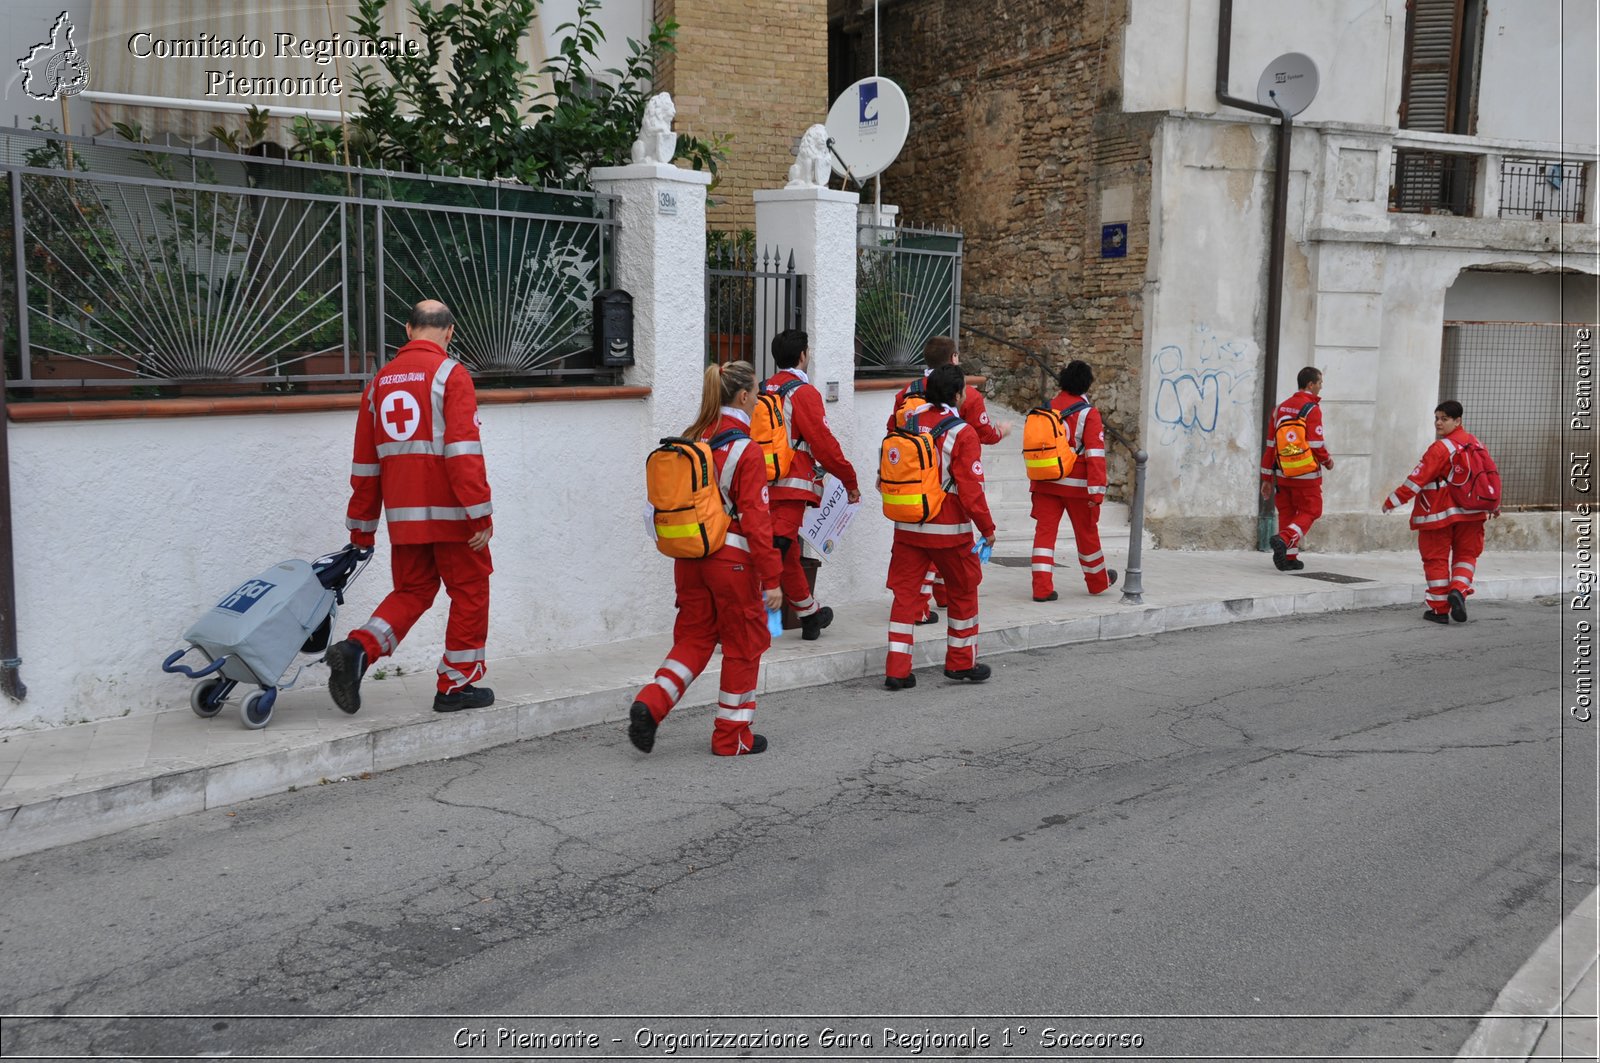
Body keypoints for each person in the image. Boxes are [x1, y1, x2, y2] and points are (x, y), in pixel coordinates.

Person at [325, 300, 495, 714]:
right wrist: (480, 513)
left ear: (407, 329)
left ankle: (358, 648)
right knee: (471, 592)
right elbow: (462, 451)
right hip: (454, 517)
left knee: (413, 590)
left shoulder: (379, 382)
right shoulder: (451, 375)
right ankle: (456, 686)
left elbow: (365, 462)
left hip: (404, 519)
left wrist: (362, 528)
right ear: (450, 332)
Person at [629, 361, 784, 756]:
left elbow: (655, 512)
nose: (759, 400)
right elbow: (757, 522)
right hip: (732, 562)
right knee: (744, 645)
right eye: (757, 393)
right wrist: (773, 579)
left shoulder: (689, 439)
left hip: (688, 558)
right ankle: (732, 737)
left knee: (695, 638)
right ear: (745, 396)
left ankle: (651, 701)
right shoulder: (746, 450)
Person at [885, 335, 1013, 625]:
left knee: (909, 584)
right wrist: (1002, 432)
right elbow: (980, 447)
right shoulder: (966, 408)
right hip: (946, 511)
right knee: (959, 581)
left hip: (908, 503)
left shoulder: (907, 395)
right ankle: (960, 661)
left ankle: (900, 660)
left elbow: (891, 434)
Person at [884, 364, 997, 689]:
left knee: (905, 597)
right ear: (959, 395)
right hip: (948, 530)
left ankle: (897, 670)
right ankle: (961, 663)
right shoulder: (963, 433)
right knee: (963, 591)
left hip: (907, 526)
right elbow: (971, 491)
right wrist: (987, 529)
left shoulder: (908, 421)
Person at [763, 329, 860, 640]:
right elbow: (823, 444)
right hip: (791, 485)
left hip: (758, 482)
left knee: (786, 552)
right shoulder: (802, 393)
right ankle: (744, 621)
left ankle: (810, 615)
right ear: (803, 356)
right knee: (777, 549)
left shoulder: (762, 390)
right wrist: (849, 480)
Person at [1382, 400, 1494, 624]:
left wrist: (1392, 501)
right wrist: (1493, 504)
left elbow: (1417, 479)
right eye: (1436, 418)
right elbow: (1490, 475)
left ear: (1457, 421)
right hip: (1473, 513)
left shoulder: (1440, 448)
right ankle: (1459, 590)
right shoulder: (1477, 444)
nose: (1438, 423)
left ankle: (1439, 609)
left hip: (1438, 513)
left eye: (1444, 418)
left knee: (1436, 559)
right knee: (1467, 555)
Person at [1029, 360, 1117, 600]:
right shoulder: (1089, 414)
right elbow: (1095, 456)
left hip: (1046, 481)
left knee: (1044, 535)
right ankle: (1098, 582)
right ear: (1086, 385)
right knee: (1087, 534)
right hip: (1077, 486)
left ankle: (1041, 588)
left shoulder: (1046, 408)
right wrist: (1097, 492)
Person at [1261, 366, 1334, 570]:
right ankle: (1285, 539)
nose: (1321, 387)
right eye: (1320, 383)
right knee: (1312, 509)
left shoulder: (1280, 409)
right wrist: (1328, 462)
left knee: (1288, 511)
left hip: (1282, 472)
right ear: (1310, 385)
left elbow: (1270, 446)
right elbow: (1316, 444)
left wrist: (1266, 478)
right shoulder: (1312, 408)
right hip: (1306, 473)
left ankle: (1289, 558)